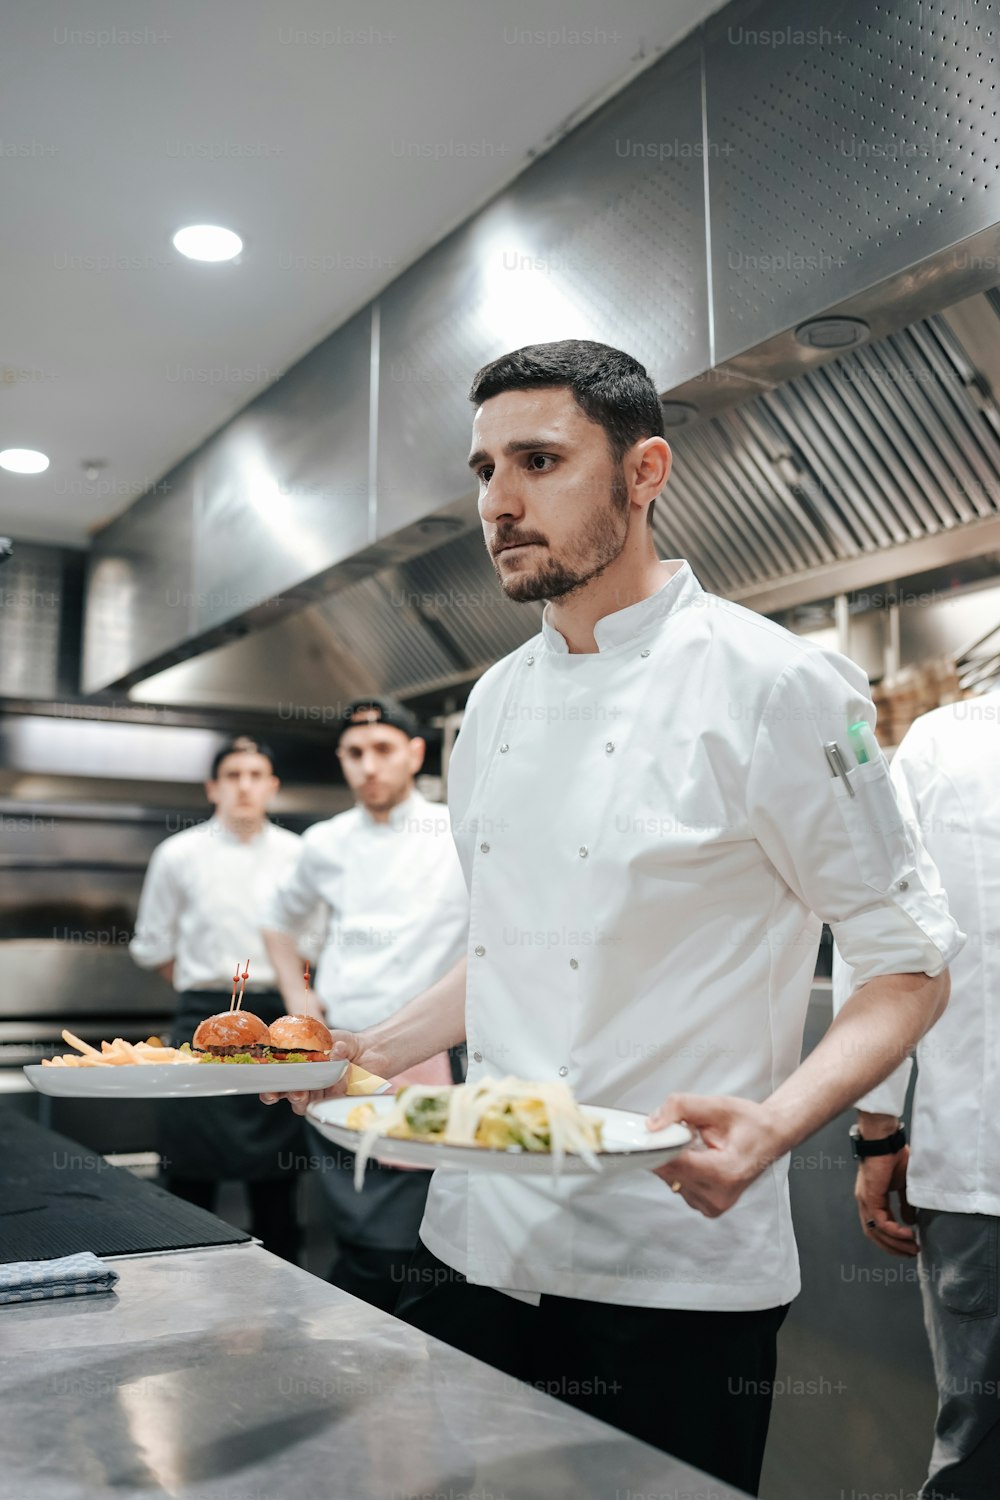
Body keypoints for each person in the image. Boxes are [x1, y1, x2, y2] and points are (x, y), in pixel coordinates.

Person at [266, 340, 962, 1495]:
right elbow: (512, 948)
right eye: (485, 468)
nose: (498, 502)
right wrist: (370, 1046)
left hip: (670, 1260)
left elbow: (907, 962)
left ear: (645, 472)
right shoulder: (490, 705)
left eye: (539, 460)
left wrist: (775, 1126)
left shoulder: (779, 686)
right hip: (477, 1245)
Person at [833, 690, 1000, 1500]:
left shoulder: (944, 744)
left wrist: (876, 1131)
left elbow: (879, 939)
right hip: (976, 1172)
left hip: (979, 1171)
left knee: (978, 1453)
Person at [261, 697, 468, 1311]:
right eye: (354, 753)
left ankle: (414, 1347)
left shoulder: (457, 830)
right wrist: (303, 999)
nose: (368, 765)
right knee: (357, 1227)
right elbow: (278, 923)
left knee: (417, 1232)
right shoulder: (324, 843)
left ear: (415, 753)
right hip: (344, 1055)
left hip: (432, 1050)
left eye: (383, 749)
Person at [130, 735, 313, 1262]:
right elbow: (155, 945)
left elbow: (315, 942)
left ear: (272, 786)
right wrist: (205, 992)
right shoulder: (178, 853)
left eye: (256, 775)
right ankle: (183, 1273)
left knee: (277, 1176)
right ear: (214, 786)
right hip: (202, 1017)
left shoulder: (299, 855)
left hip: (278, 1023)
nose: (245, 786)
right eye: (233, 776)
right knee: (189, 1167)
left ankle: (287, 1292)